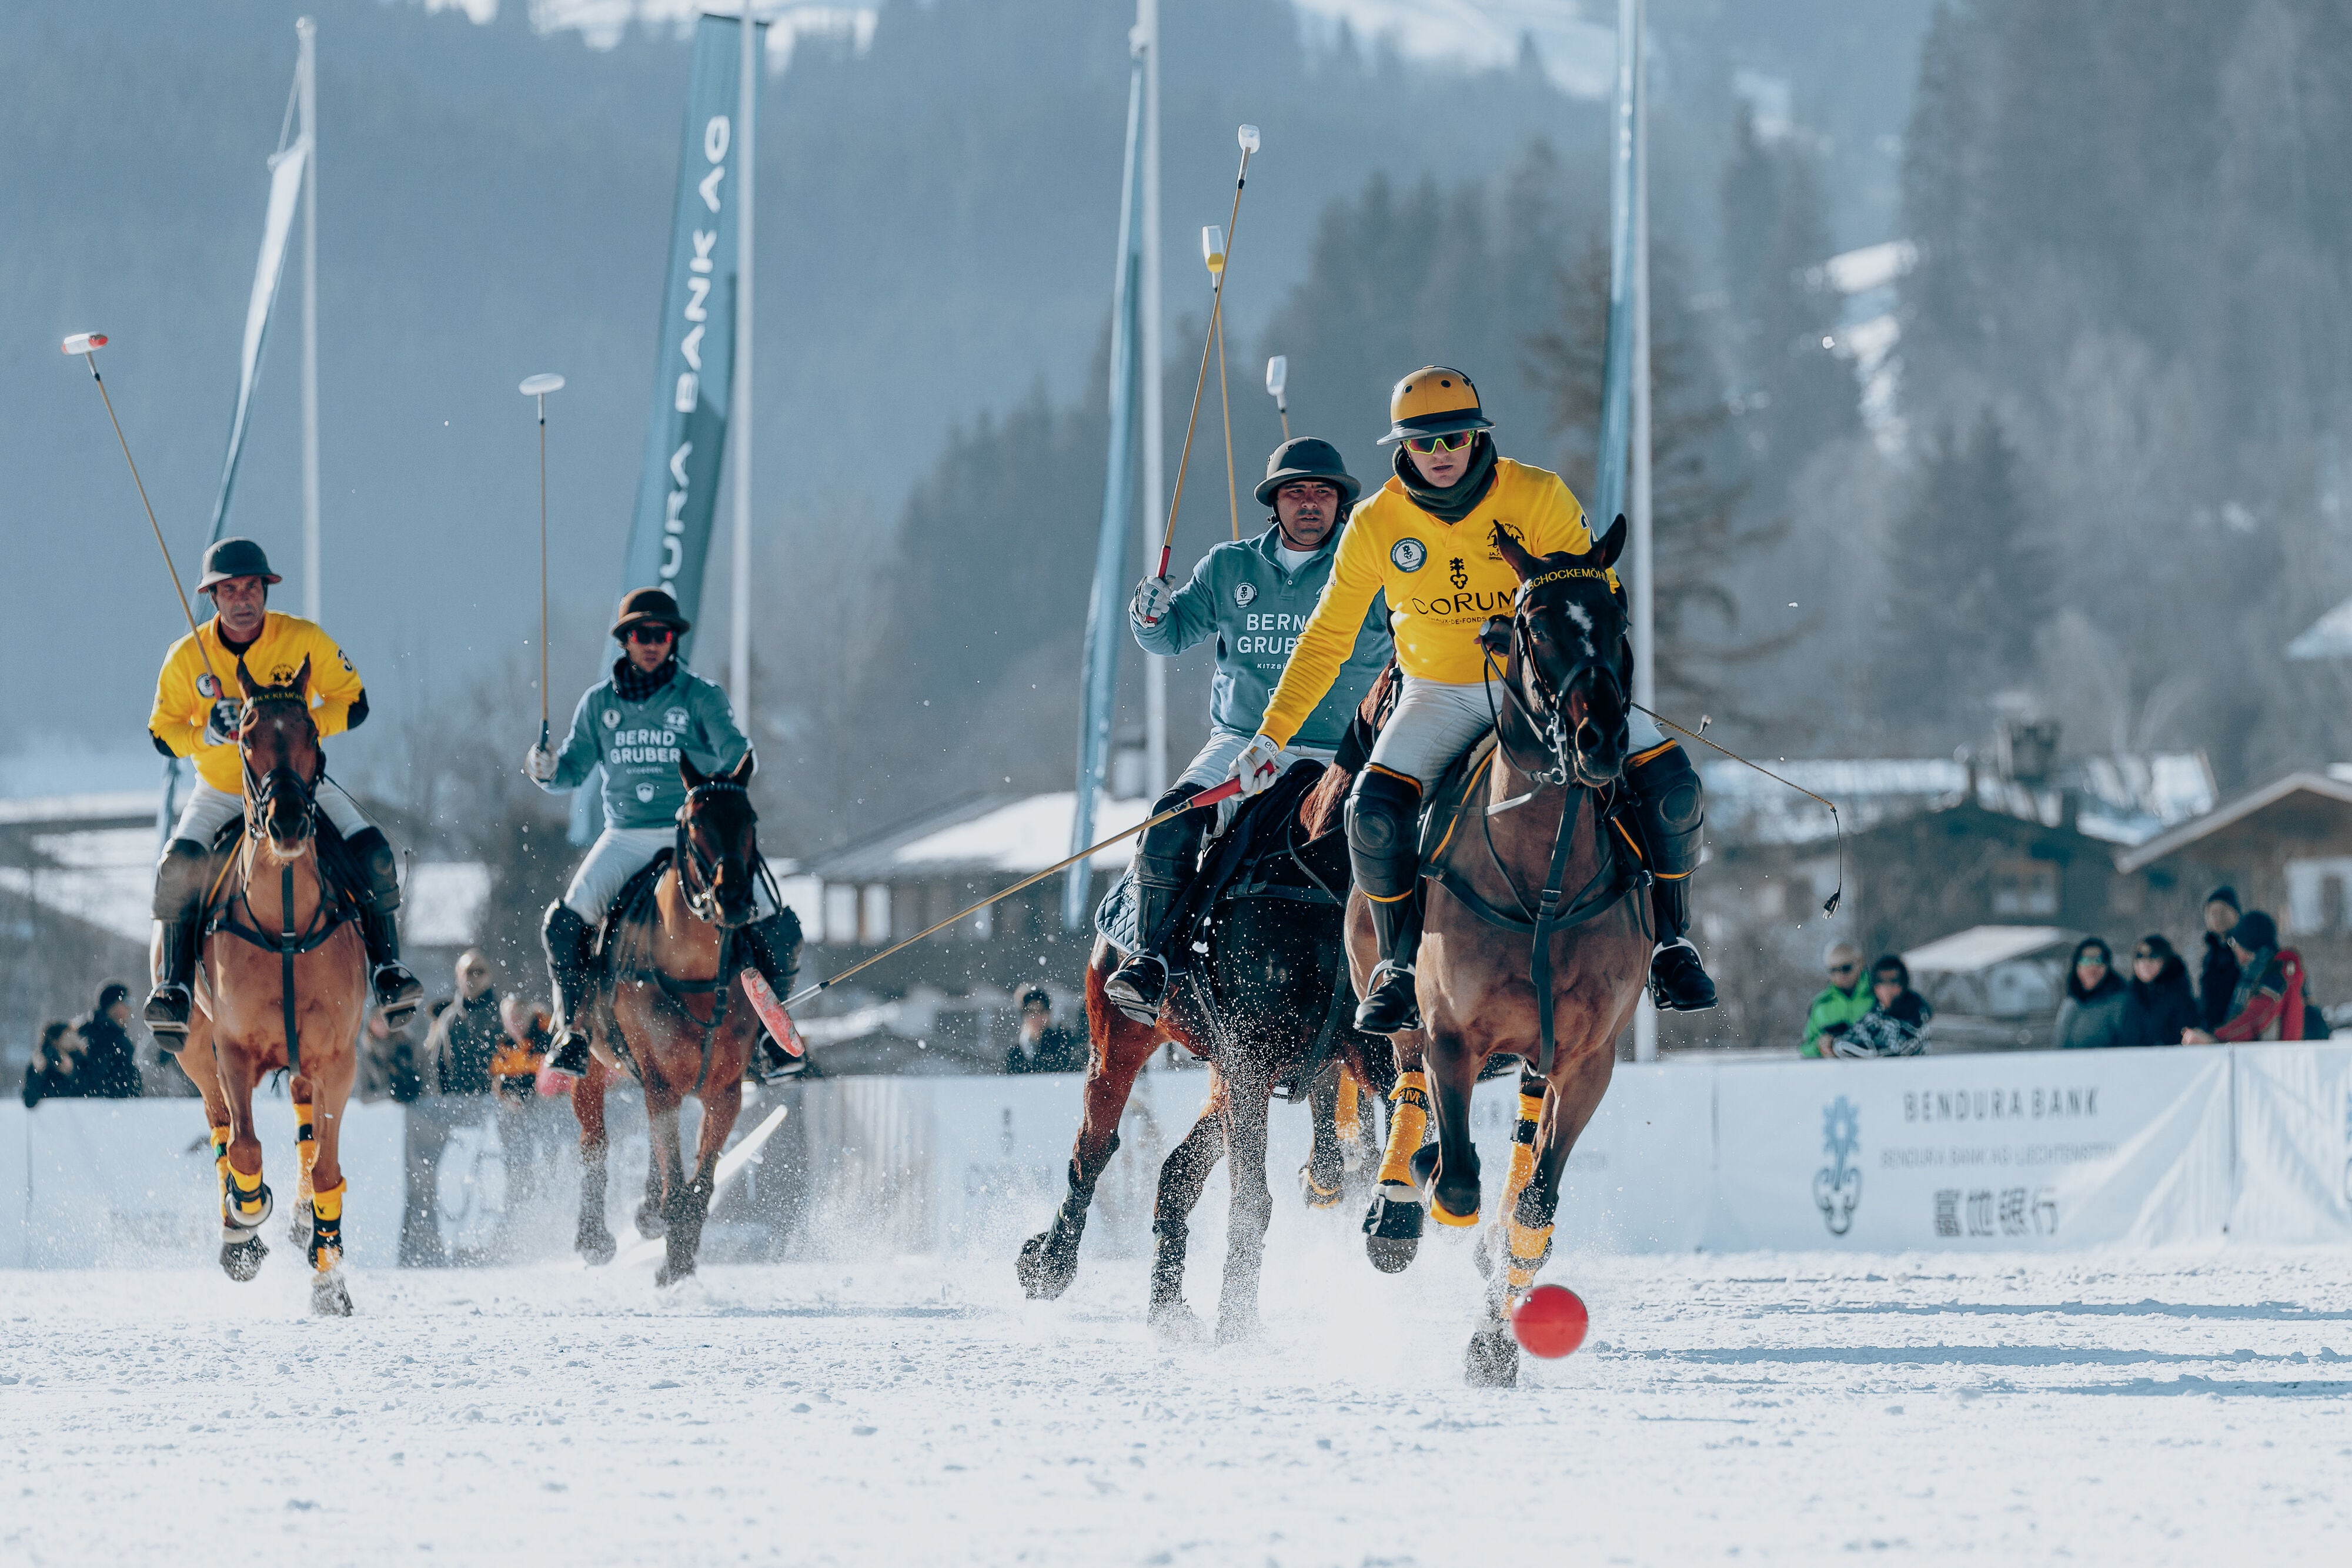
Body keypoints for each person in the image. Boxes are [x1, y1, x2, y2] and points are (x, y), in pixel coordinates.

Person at [1231, 367, 1715, 1031]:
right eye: (1424, 443)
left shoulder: (1537, 495)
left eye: (1454, 437)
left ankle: (1672, 943)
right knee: (1372, 812)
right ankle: (1398, 966)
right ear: (1401, 447)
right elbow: (1326, 640)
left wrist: (1533, 640)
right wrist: (1271, 735)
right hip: (1441, 693)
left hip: (1542, 696)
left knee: (1672, 785)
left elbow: (1590, 600)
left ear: (1477, 435)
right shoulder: (1375, 522)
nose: (1441, 454)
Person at [1102, 437, 1394, 1022]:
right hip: (1242, 746)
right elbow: (1167, 637)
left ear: (1342, 504)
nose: (1309, 503)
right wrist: (1149, 610)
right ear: (1274, 502)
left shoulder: (1369, 566)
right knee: (1169, 823)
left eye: (1322, 492)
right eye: (1295, 492)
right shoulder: (1229, 565)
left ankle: (1418, 973)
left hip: (1347, 752)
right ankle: (1153, 962)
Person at [142, 537, 422, 1042]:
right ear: (213, 597)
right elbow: (160, 733)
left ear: (266, 590)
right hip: (223, 789)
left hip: (296, 788)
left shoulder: (304, 638)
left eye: (252, 587)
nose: (243, 599)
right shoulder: (187, 655)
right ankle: (176, 987)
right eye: (230, 590)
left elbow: (354, 702)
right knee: (177, 866)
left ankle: (389, 971)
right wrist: (203, 733)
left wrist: (301, 722)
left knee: (375, 854)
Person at [523, 587, 801, 1079]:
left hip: (693, 838)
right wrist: (543, 768)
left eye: (660, 634)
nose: (650, 643)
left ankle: (773, 1037)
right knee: (564, 925)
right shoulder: (598, 704)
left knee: (778, 924)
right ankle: (573, 1029)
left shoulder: (700, 696)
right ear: (624, 640)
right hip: (626, 836)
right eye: (639, 634)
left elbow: (733, 751)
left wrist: (732, 764)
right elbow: (570, 771)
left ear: (673, 640)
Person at [2186, 911, 2314, 1043]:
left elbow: (2257, 1018)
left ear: (2248, 947)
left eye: (2234, 943)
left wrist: (2215, 1037)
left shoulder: (2276, 973)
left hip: (2276, 1059)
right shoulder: (2257, 972)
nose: (2233, 948)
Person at [423, 950, 503, 1096]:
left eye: (480, 971)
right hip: (458, 1102)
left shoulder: (503, 1014)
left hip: (496, 1102)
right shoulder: (447, 1018)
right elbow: (437, 1066)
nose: (475, 977)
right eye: (469, 971)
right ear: (458, 976)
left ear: (489, 976)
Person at [1829, 955, 1933, 1057]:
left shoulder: (1916, 1013)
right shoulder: (1876, 1012)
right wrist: (1834, 1038)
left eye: (1893, 981)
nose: (1886, 988)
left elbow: (1895, 1048)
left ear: (1902, 984)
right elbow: (1856, 1035)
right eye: (1881, 981)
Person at [2119, 934, 2198, 1047]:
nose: (2145, 963)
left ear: (2165, 961)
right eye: (2140, 956)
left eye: (2153, 956)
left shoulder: (2180, 998)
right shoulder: (2131, 996)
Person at [2054, 937, 2131, 1049]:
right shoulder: (2071, 1002)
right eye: (2085, 961)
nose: (2092, 968)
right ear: (2077, 967)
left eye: (2098, 961)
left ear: (2107, 966)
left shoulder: (2120, 1003)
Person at [1802, 942, 1876, 1058]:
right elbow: (1805, 1048)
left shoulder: (1878, 995)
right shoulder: (1821, 1005)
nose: (1840, 975)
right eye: (1834, 970)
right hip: (1835, 1073)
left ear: (1860, 963)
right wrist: (1820, 1046)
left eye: (1846, 968)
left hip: (1878, 1070)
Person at [71, 982, 143, 1099]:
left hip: (114, 1107)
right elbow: (98, 1078)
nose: (130, 1008)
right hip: (107, 1109)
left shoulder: (109, 1033)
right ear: (113, 1006)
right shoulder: (98, 1036)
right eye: (126, 1002)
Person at [1004, 985, 1085, 1074]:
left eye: (1041, 1011)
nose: (1036, 1017)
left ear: (1048, 1013)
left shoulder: (1063, 1040)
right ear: (1023, 1015)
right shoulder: (1016, 1051)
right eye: (1031, 1011)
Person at [2197, 886, 2243, 1031]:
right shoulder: (2209, 955)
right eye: (2212, 913)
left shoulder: (2244, 949)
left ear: (2236, 913)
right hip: (2214, 1029)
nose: (2217, 918)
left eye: (2223, 911)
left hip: (2239, 1028)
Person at [20, 1021, 84, 1107]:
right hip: (52, 1115)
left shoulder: (80, 1059)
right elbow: (30, 1100)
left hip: (78, 1114)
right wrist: (38, 1072)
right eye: (68, 1035)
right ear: (55, 1040)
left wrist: (72, 1072)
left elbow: (89, 1091)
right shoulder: (42, 1060)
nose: (74, 1038)